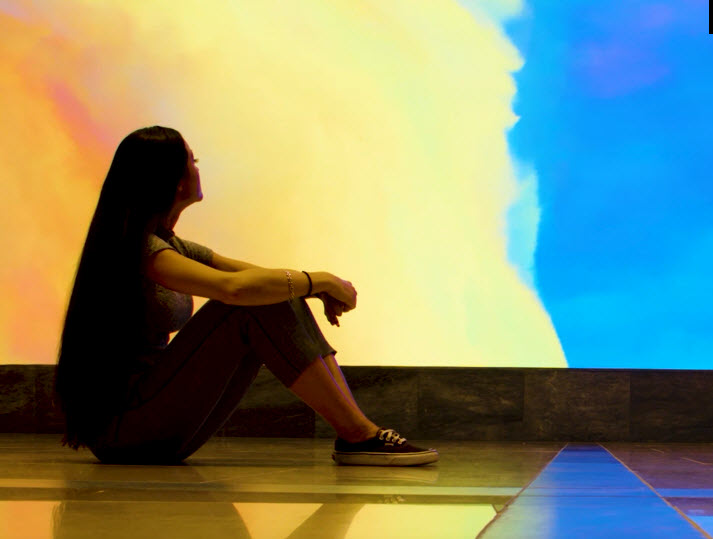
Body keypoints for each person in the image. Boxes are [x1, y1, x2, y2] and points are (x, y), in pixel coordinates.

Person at [54, 125, 439, 466]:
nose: (198, 167)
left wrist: (317, 286)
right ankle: (358, 435)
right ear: (174, 180)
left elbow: (257, 277)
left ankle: (358, 432)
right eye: (193, 159)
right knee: (250, 304)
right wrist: (318, 280)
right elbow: (233, 289)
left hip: (151, 421)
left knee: (275, 292)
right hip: (126, 429)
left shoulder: (172, 246)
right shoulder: (139, 250)